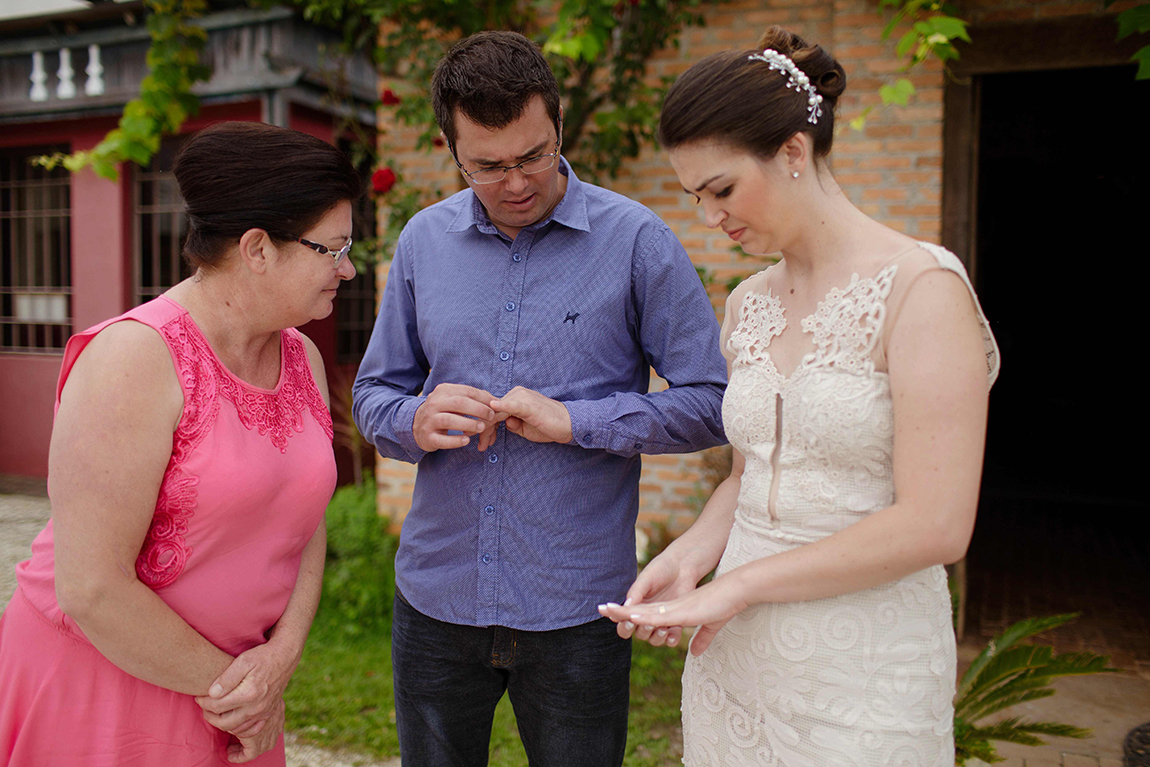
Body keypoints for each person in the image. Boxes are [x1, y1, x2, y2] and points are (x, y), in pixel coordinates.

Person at [599, 26, 1000, 766]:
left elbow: (938, 524)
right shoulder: (749, 303)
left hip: (865, 668)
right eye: (695, 196)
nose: (709, 218)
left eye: (720, 189)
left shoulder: (922, 290)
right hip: (740, 659)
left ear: (791, 151)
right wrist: (690, 559)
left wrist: (738, 585)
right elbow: (752, 477)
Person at [352, 30, 727, 767]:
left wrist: (576, 422)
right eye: (487, 167)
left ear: (557, 120)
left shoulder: (638, 241)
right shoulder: (423, 242)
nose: (516, 182)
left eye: (533, 154)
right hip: (435, 598)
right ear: (451, 149)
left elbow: (713, 402)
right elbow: (374, 393)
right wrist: (412, 419)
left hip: (577, 606)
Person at [0, 121, 361, 766]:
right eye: (330, 249)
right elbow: (91, 588)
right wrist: (239, 689)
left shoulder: (300, 356)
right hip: (106, 686)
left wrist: (279, 660)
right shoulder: (133, 358)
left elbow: (304, 519)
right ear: (258, 248)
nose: (348, 267)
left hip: (235, 699)